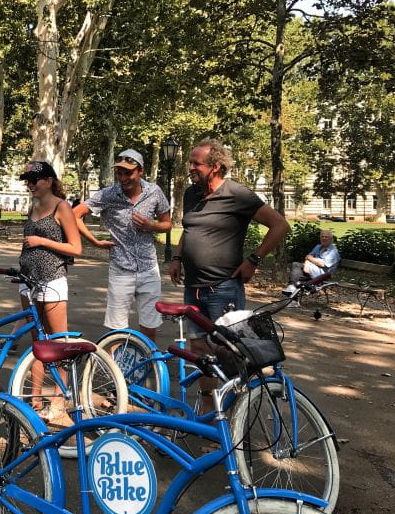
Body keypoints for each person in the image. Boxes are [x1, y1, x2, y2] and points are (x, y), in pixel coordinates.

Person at [168, 140, 289, 410]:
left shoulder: (237, 194)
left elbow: (280, 225)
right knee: (200, 352)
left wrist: (254, 260)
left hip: (223, 289)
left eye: (196, 163)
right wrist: (177, 257)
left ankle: (234, 414)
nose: (190, 168)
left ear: (216, 167)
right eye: (190, 162)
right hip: (193, 288)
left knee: (230, 354)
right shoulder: (191, 194)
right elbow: (189, 230)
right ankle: (210, 414)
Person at [73, 149, 171, 342]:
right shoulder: (108, 194)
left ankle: (145, 359)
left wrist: (151, 225)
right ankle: (116, 361)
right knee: (116, 330)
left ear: (140, 171)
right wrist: (94, 241)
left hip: (149, 268)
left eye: (129, 172)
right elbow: (74, 214)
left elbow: (167, 224)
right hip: (121, 269)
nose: (123, 178)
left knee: (150, 326)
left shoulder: (154, 192)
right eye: (119, 172)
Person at [16, 161, 82, 425]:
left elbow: (76, 248)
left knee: (57, 342)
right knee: (37, 341)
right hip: (28, 280)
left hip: (52, 279)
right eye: (27, 180)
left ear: (49, 181)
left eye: (34, 180)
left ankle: (58, 400)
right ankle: (34, 399)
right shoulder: (32, 207)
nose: (30, 185)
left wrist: (41, 241)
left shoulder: (61, 207)